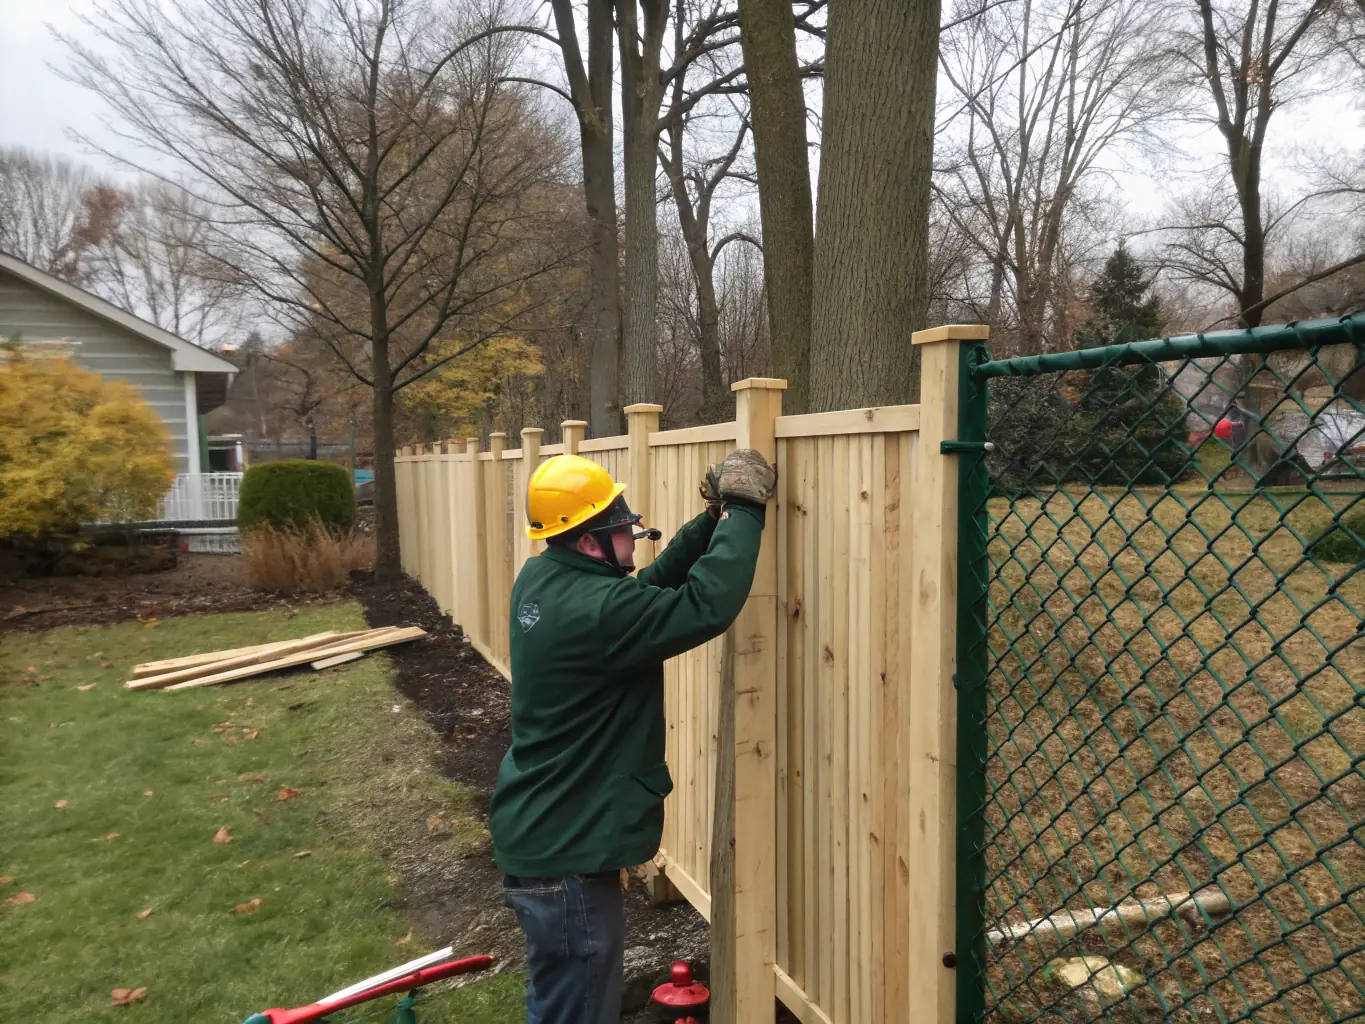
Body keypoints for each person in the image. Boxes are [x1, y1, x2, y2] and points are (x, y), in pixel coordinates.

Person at [489, 448, 778, 1024]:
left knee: (559, 1002)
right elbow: (705, 604)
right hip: (567, 853)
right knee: (577, 1012)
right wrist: (745, 511)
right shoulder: (598, 610)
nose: (633, 529)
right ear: (589, 541)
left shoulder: (545, 578)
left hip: (543, 837)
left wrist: (711, 521)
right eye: (621, 524)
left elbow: (643, 591)